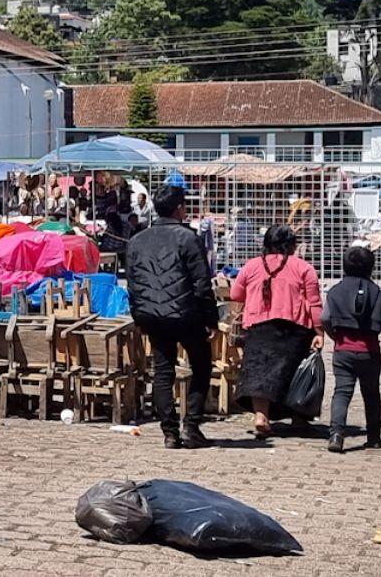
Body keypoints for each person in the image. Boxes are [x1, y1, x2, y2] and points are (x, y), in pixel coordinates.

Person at [124, 184, 219, 449]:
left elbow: (133, 284)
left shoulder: (137, 240)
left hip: (152, 316)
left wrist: (139, 317)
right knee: (201, 367)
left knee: (163, 372)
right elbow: (202, 284)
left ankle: (169, 432)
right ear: (180, 208)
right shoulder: (188, 238)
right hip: (187, 315)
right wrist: (211, 319)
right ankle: (191, 425)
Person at [230, 224, 323, 438]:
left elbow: (236, 293)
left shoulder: (252, 266)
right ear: (291, 245)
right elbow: (315, 303)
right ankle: (298, 419)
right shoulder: (304, 268)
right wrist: (319, 332)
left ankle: (261, 416)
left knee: (259, 373)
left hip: (259, 327)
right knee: (297, 372)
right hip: (296, 329)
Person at [323, 245, 381, 452]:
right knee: (372, 394)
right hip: (370, 352)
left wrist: (335, 336)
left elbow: (325, 318)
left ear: (344, 267)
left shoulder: (335, 291)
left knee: (342, 393)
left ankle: (336, 434)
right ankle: (374, 436)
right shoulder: (378, 294)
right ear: (371, 268)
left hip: (343, 350)